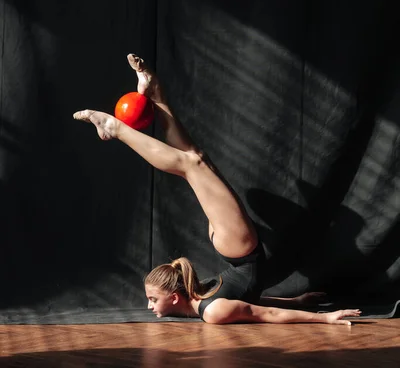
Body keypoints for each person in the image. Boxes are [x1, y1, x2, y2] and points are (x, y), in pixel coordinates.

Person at [73, 54, 361, 326]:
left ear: (175, 297)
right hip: (235, 247)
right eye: (151, 299)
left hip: (238, 247)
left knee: (192, 164)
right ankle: (152, 95)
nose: (149, 306)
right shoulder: (211, 306)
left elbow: (256, 307)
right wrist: (305, 306)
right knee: (196, 158)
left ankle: (117, 126)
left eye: (152, 299)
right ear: (175, 298)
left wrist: (314, 312)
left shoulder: (211, 309)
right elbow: (262, 308)